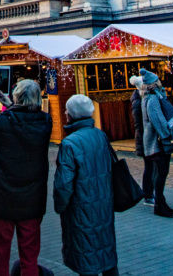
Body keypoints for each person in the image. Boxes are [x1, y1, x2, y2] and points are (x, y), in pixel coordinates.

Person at [0, 79, 53, 276]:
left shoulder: (3, 122)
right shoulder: (45, 122)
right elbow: (25, 118)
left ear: (17, 96)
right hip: (32, 201)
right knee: (30, 255)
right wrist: (11, 106)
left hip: (2, 199)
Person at [54, 94, 118, 276]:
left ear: (72, 114)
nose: (65, 113)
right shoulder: (100, 135)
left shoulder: (69, 144)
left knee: (86, 257)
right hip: (103, 205)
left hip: (80, 209)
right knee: (106, 252)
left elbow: (64, 184)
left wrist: (60, 205)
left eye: (67, 110)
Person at [140, 68, 173, 218]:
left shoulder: (149, 98)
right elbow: (158, 121)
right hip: (157, 143)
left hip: (154, 142)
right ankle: (159, 205)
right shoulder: (153, 99)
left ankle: (161, 203)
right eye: (158, 80)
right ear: (154, 83)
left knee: (160, 173)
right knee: (161, 173)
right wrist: (167, 135)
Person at [129, 75, 154, 206]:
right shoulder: (138, 102)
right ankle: (148, 195)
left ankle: (150, 194)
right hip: (144, 139)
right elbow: (139, 123)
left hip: (146, 138)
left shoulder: (142, 99)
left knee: (151, 166)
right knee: (150, 167)